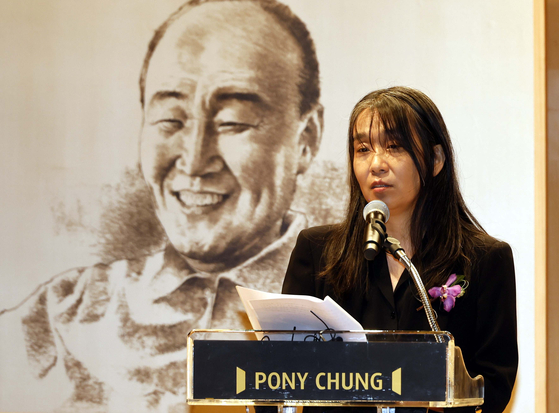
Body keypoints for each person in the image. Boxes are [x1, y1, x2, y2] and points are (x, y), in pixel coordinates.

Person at [0, 0, 323, 412]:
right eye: (170, 119)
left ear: (307, 139)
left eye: (233, 121)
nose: (193, 160)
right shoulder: (63, 312)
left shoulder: (350, 297)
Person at [280, 87, 518, 413]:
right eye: (363, 148)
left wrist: (446, 387)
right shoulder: (318, 252)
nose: (376, 164)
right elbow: (277, 373)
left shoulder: (484, 259)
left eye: (394, 146)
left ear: (435, 159)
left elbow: (495, 387)